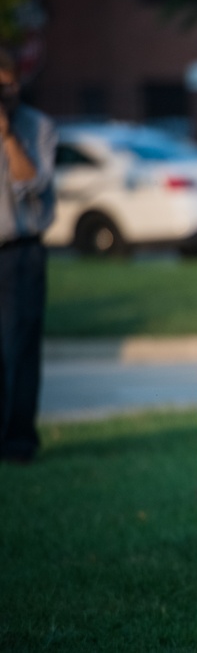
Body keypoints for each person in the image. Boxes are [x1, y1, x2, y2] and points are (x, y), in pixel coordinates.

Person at [0, 48, 57, 464]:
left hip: (21, 253)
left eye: (8, 82)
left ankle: (18, 442)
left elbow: (32, 183)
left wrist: (6, 135)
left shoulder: (37, 128)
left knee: (19, 349)